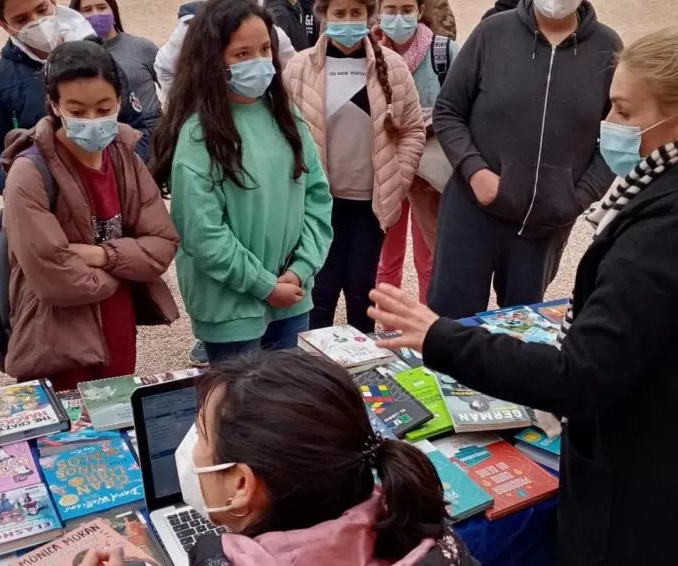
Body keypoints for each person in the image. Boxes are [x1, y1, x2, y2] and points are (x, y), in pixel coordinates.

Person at [368, 27, 678, 566]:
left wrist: (440, 336)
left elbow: (580, 378)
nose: (607, 126)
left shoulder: (671, 235)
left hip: (652, 515)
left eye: (624, 111)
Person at [150, 0, 333, 364]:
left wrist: (300, 269)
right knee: (241, 409)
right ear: (213, 60)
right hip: (231, 306)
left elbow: (318, 198)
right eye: (243, 53)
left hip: (292, 296)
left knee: (286, 402)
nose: (260, 61)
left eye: (265, 49)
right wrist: (264, 286)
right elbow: (204, 234)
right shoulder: (199, 135)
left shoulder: (287, 118)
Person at [177, 349, 477, 565]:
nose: (192, 448)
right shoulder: (420, 529)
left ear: (242, 484)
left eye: (202, 435)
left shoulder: (215, 556)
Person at [1, 40, 179, 390]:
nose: (93, 121)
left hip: (118, 327)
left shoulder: (124, 157)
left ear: (120, 101)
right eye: (78, 111)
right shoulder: (30, 173)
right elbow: (56, 277)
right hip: (57, 333)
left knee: (115, 421)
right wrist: (126, 269)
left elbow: (163, 243)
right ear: (54, 105)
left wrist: (101, 254)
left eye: (103, 107)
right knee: (66, 434)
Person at [429, 0, 621, 319]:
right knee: (450, 321)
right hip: (471, 213)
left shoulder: (607, 48)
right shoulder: (492, 33)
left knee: (522, 328)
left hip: (545, 225)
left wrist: (579, 196)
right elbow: (448, 111)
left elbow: (617, 136)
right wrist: (474, 170)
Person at [284, 0, 425, 333]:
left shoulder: (392, 66)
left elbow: (412, 129)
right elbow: (283, 131)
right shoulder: (300, 68)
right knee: (320, 291)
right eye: (339, 14)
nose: (348, 21)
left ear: (368, 15)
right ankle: (315, 374)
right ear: (325, 15)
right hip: (318, 204)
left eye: (355, 14)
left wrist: (399, 178)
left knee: (362, 291)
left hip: (370, 205)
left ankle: (362, 373)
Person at [0, 0, 150, 195]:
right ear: (4, 25)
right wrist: (24, 184)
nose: (37, 22)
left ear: (53, 2)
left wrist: (117, 175)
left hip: (112, 197)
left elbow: (139, 131)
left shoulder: (100, 60)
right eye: (21, 19)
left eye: (42, 9)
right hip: (42, 206)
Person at [372, 0, 459, 304]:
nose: (398, 17)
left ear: (420, 11)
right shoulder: (368, 50)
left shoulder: (443, 52)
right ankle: (384, 328)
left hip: (429, 175)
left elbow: (464, 106)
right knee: (385, 260)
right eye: (391, 8)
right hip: (387, 171)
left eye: (406, 8)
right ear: (379, 10)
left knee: (430, 261)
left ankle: (427, 330)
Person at [155, 0, 296, 106]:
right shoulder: (194, 31)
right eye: (243, 53)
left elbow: (295, 72)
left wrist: (281, 104)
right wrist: (182, 107)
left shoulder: (272, 33)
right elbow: (164, 67)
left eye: (265, 49)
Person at [69, 0, 162, 132]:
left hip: (152, 133)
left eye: (102, 7)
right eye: (87, 10)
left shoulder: (142, 47)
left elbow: (173, 84)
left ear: (113, 11)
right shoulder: (73, 57)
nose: (96, 14)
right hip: (105, 135)